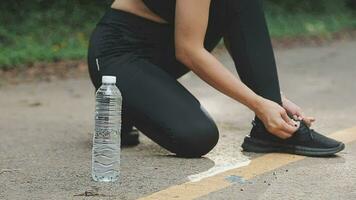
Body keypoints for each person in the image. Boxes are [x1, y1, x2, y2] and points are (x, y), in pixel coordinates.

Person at [87, 0, 345, 158]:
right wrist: (257, 103)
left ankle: (272, 133)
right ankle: (121, 103)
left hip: (162, 53)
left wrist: (272, 99)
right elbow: (188, 50)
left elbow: (235, 27)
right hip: (118, 55)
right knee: (197, 136)